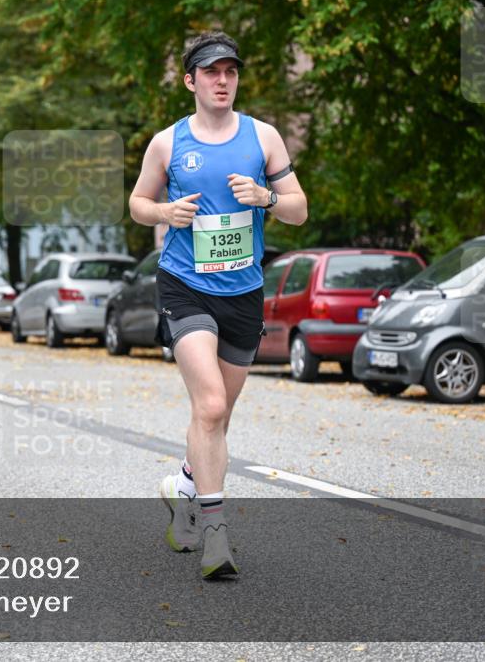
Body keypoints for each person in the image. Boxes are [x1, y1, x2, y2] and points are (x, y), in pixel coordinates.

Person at [129, 32, 307, 579]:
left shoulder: (263, 137)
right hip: (185, 285)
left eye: (230, 71)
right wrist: (165, 213)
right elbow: (136, 204)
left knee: (218, 416)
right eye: (211, 72)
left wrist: (268, 199)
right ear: (191, 80)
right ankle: (215, 535)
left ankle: (183, 487)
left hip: (243, 293)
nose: (222, 80)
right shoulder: (167, 142)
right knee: (208, 406)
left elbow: (299, 211)